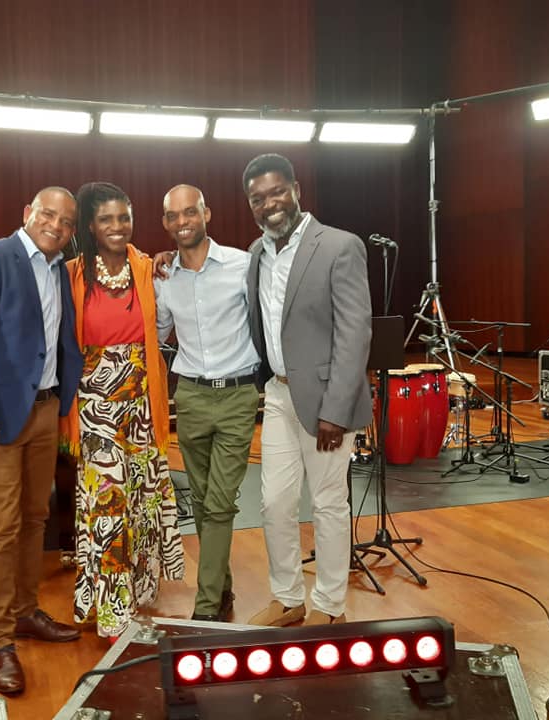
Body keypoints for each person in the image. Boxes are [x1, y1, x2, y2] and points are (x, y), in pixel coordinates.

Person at [0, 187, 85, 696]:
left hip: (46, 410)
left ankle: (26, 611)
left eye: (66, 222)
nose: (56, 226)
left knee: (34, 519)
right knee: (0, 527)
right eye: (48, 215)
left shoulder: (59, 270)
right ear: (28, 213)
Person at [242, 154, 372, 627]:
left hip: (326, 403)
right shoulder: (256, 253)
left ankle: (330, 607)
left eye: (277, 191)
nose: (269, 203)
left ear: (296, 189)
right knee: (274, 502)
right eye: (258, 198)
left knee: (327, 503)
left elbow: (355, 333)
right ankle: (288, 598)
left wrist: (336, 409)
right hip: (277, 396)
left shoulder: (339, 245)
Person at [60, 181, 184, 639]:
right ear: (91, 226)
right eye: (106, 219)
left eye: (124, 217)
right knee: (108, 506)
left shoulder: (148, 268)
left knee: (140, 503)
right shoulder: (71, 275)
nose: (117, 226)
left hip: (143, 405)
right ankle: (113, 614)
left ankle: (138, 591)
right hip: (95, 409)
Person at [154, 184, 259, 622]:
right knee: (200, 500)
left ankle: (206, 608)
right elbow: (157, 333)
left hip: (237, 396)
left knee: (219, 502)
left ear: (206, 213)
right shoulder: (163, 278)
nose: (183, 221)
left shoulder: (242, 265)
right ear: (166, 223)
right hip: (192, 397)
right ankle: (224, 590)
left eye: (190, 212)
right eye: (174, 215)